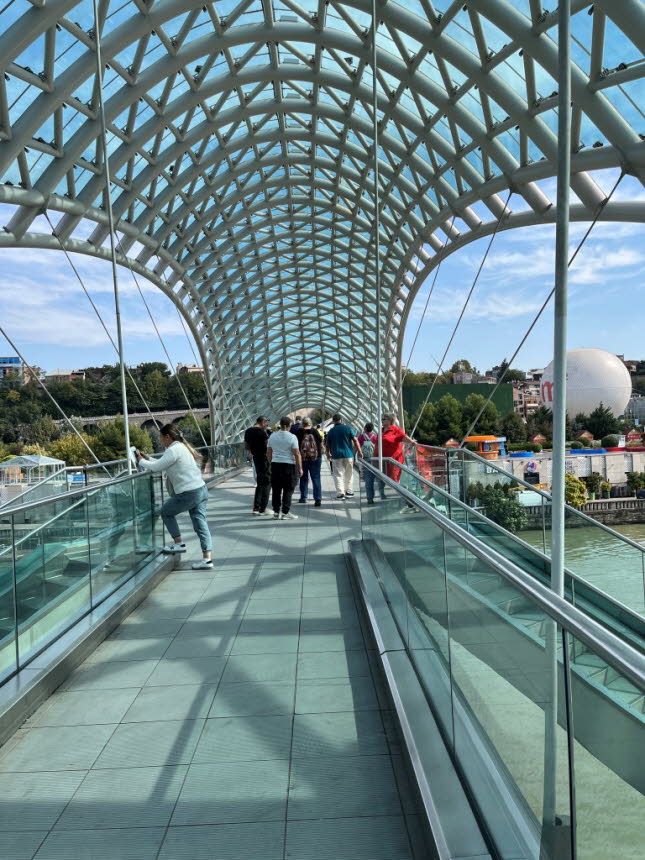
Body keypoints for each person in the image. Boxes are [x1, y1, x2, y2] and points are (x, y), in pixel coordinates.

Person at [136, 423, 213, 570]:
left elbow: (157, 467)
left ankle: (178, 543)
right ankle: (207, 559)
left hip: (189, 492)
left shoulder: (173, 450)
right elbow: (162, 463)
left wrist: (141, 461)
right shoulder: (180, 447)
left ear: (167, 437)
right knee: (200, 524)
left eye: (161, 438)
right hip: (201, 489)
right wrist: (149, 459)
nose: (160, 441)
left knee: (166, 512)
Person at [267, 415, 303, 519]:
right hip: (288, 465)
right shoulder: (292, 437)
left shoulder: (272, 436)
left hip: (275, 465)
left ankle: (276, 512)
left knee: (276, 489)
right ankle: (285, 512)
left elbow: (269, 452)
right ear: (289, 426)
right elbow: (297, 453)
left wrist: (270, 464)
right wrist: (300, 468)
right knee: (288, 489)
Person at [325, 413, 362, 499]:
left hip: (336, 455)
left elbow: (327, 445)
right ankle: (349, 491)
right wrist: (359, 451)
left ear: (333, 421)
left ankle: (340, 493)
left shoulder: (331, 431)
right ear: (341, 420)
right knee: (349, 473)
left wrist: (328, 454)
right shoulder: (348, 429)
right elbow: (355, 440)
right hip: (348, 454)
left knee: (338, 475)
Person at [376, 413, 418, 484]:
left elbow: (404, 437)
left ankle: (392, 493)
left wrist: (411, 442)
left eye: (384, 419)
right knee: (381, 480)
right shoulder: (381, 430)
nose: (381, 420)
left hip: (393, 461)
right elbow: (377, 444)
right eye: (381, 419)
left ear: (390, 420)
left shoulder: (396, 430)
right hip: (382, 460)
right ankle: (382, 494)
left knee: (393, 480)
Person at [244, 416, 271, 515]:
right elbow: (268, 447)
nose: (266, 426)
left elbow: (246, 446)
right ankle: (263, 508)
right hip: (264, 458)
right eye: (266, 423)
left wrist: (253, 450)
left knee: (260, 482)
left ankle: (256, 508)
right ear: (263, 422)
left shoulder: (248, 431)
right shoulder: (262, 432)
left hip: (255, 457)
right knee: (267, 482)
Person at [296, 418, 324, 506]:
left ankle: (303, 497)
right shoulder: (315, 431)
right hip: (315, 458)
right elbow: (320, 443)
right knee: (316, 478)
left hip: (303, 459)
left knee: (303, 478)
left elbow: (296, 446)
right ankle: (318, 499)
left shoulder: (299, 432)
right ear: (310, 423)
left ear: (302, 424)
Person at [357, 422, 385, 504]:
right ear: (372, 429)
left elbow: (357, 446)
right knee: (379, 477)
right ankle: (382, 494)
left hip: (365, 459)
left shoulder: (361, 437)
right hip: (375, 459)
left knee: (368, 479)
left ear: (365, 428)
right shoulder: (375, 437)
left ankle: (370, 498)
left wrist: (355, 455)